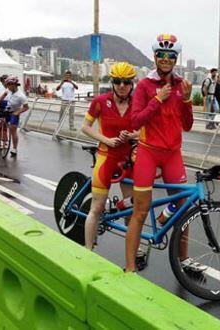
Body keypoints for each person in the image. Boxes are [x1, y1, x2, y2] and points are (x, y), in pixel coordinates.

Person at [126, 33, 195, 273]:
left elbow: (188, 126)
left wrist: (186, 100)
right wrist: (156, 99)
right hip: (148, 152)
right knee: (141, 211)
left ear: (176, 58)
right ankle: (130, 267)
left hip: (173, 154)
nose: (166, 59)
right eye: (162, 55)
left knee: (184, 205)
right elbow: (135, 121)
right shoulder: (145, 86)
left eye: (171, 55)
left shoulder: (180, 85)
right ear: (155, 56)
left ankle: (184, 260)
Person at [82, 62, 138, 250]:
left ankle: (132, 249)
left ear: (132, 84)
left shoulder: (138, 104)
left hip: (128, 160)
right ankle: (88, 250)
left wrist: (132, 136)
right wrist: (106, 139)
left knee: (131, 208)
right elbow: (85, 127)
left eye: (126, 82)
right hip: (106, 157)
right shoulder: (100, 101)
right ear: (112, 82)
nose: (122, 86)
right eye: (117, 81)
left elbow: (147, 129)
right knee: (96, 208)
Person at [0, 76, 29, 157]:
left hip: (14, 113)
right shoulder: (9, 90)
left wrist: (17, 112)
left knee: (13, 130)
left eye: (8, 85)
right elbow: (4, 94)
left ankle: (14, 148)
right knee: (1, 124)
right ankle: (1, 142)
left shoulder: (21, 96)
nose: (7, 86)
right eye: (6, 85)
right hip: (7, 109)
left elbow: (26, 107)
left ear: (14, 85)